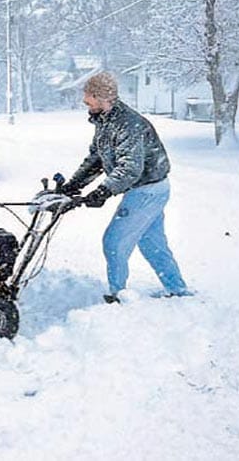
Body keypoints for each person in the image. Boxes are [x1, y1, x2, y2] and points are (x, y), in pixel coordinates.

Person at [60, 72, 190, 304]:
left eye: (88, 98)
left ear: (102, 98)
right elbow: (96, 159)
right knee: (152, 244)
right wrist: (73, 185)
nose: (84, 102)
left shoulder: (127, 124)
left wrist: (104, 191)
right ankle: (178, 291)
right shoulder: (105, 120)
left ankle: (117, 295)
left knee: (114, 241)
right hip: (147, 188)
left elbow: (130, 168)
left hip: (148, 190)